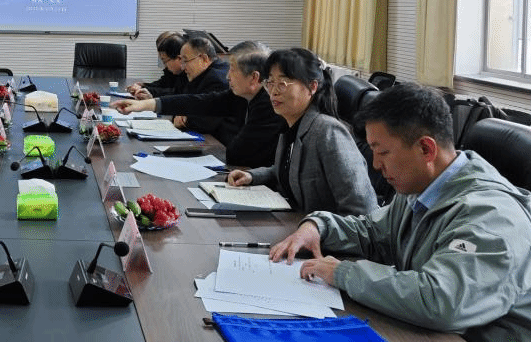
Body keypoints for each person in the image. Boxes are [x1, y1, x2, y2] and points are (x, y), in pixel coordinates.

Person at [269, 82, 531, 342]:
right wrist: (317, 227)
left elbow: (441, 300)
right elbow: (373, 233)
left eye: (383, 152)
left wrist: (343, 273)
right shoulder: (422, 188)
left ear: (426, 149)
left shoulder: (493, 217)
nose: (375, 165)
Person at [227, 47, 376, 215]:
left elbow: (362, 210)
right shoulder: (292, 124)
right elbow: (289, 171)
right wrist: (252, 176)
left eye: (283, 83)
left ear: (312, 87)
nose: (274, 91)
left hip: (323, 230)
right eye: (271, 83)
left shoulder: (329, 132)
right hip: (295, 222)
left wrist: (317, 227)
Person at [115, 40, 281, 168]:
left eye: (233, 69)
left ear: (254, 78)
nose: (227, 76)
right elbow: (199, 102)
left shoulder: (269, 105)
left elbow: (236, 154)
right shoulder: (242, 95)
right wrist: (146, 105)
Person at [127, 31, 186, 98]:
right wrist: (143, 86)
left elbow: (175, 93)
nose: (165, 65)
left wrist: (146, 90)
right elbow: (163, 83)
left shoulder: (187, 73)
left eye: (164, 60)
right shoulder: (175, 70)